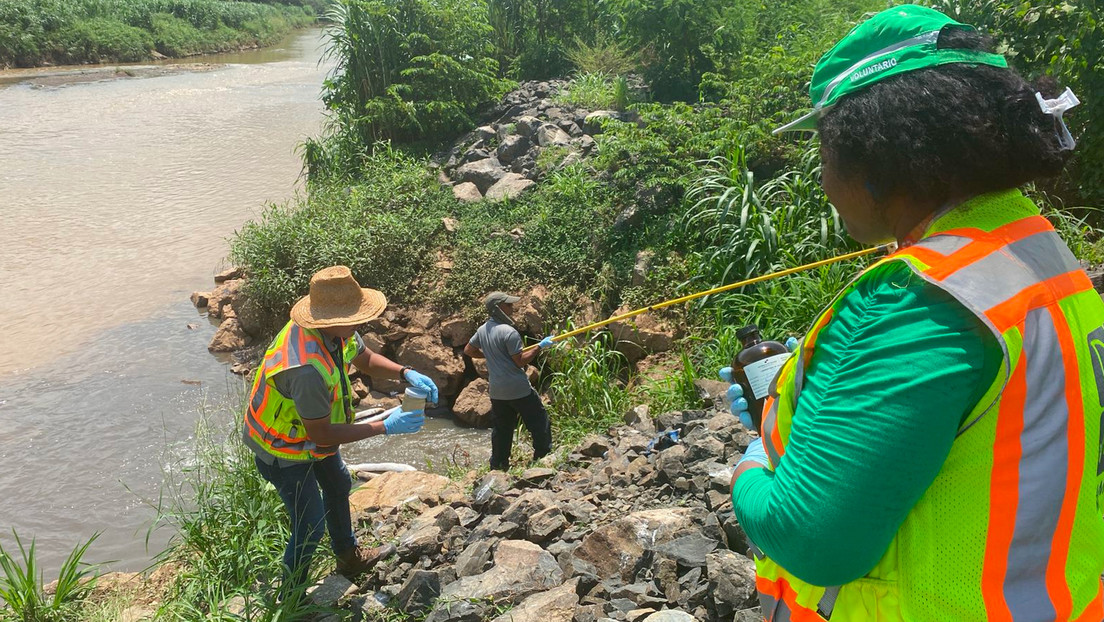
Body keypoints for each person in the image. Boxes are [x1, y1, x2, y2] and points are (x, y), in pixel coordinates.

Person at [721, 6, 1104, 621]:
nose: (822, 177)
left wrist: (751, 464)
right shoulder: (1033, 251)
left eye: (825, 151)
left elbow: (811, 540)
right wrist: (807, 388)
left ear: (875, 155)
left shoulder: (916, 300)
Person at [243, 265, 440, 584]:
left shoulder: (336, 330)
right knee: (309, 525)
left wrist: (404, 372)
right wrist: (386, 425)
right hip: (282, 451)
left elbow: (363, 358)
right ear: (331, 319)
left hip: (310, 439)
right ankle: (291, 597)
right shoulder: (305, 368)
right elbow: (320, 433)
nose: (362, 322)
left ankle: (348, 559)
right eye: (355, 318)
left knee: (337, 484)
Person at [463, 292, 556, 470]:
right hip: (518, 388)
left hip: (497, 391)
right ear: (498, 308)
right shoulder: (509, 332)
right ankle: (543, 455)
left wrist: (490, 356)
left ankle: (498, 464)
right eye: (508, 305)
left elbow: (468, 350)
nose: (512, 308)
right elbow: (520, 360)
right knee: (538, 420)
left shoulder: (482, 330)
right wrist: (539, 346)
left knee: (502, 429)